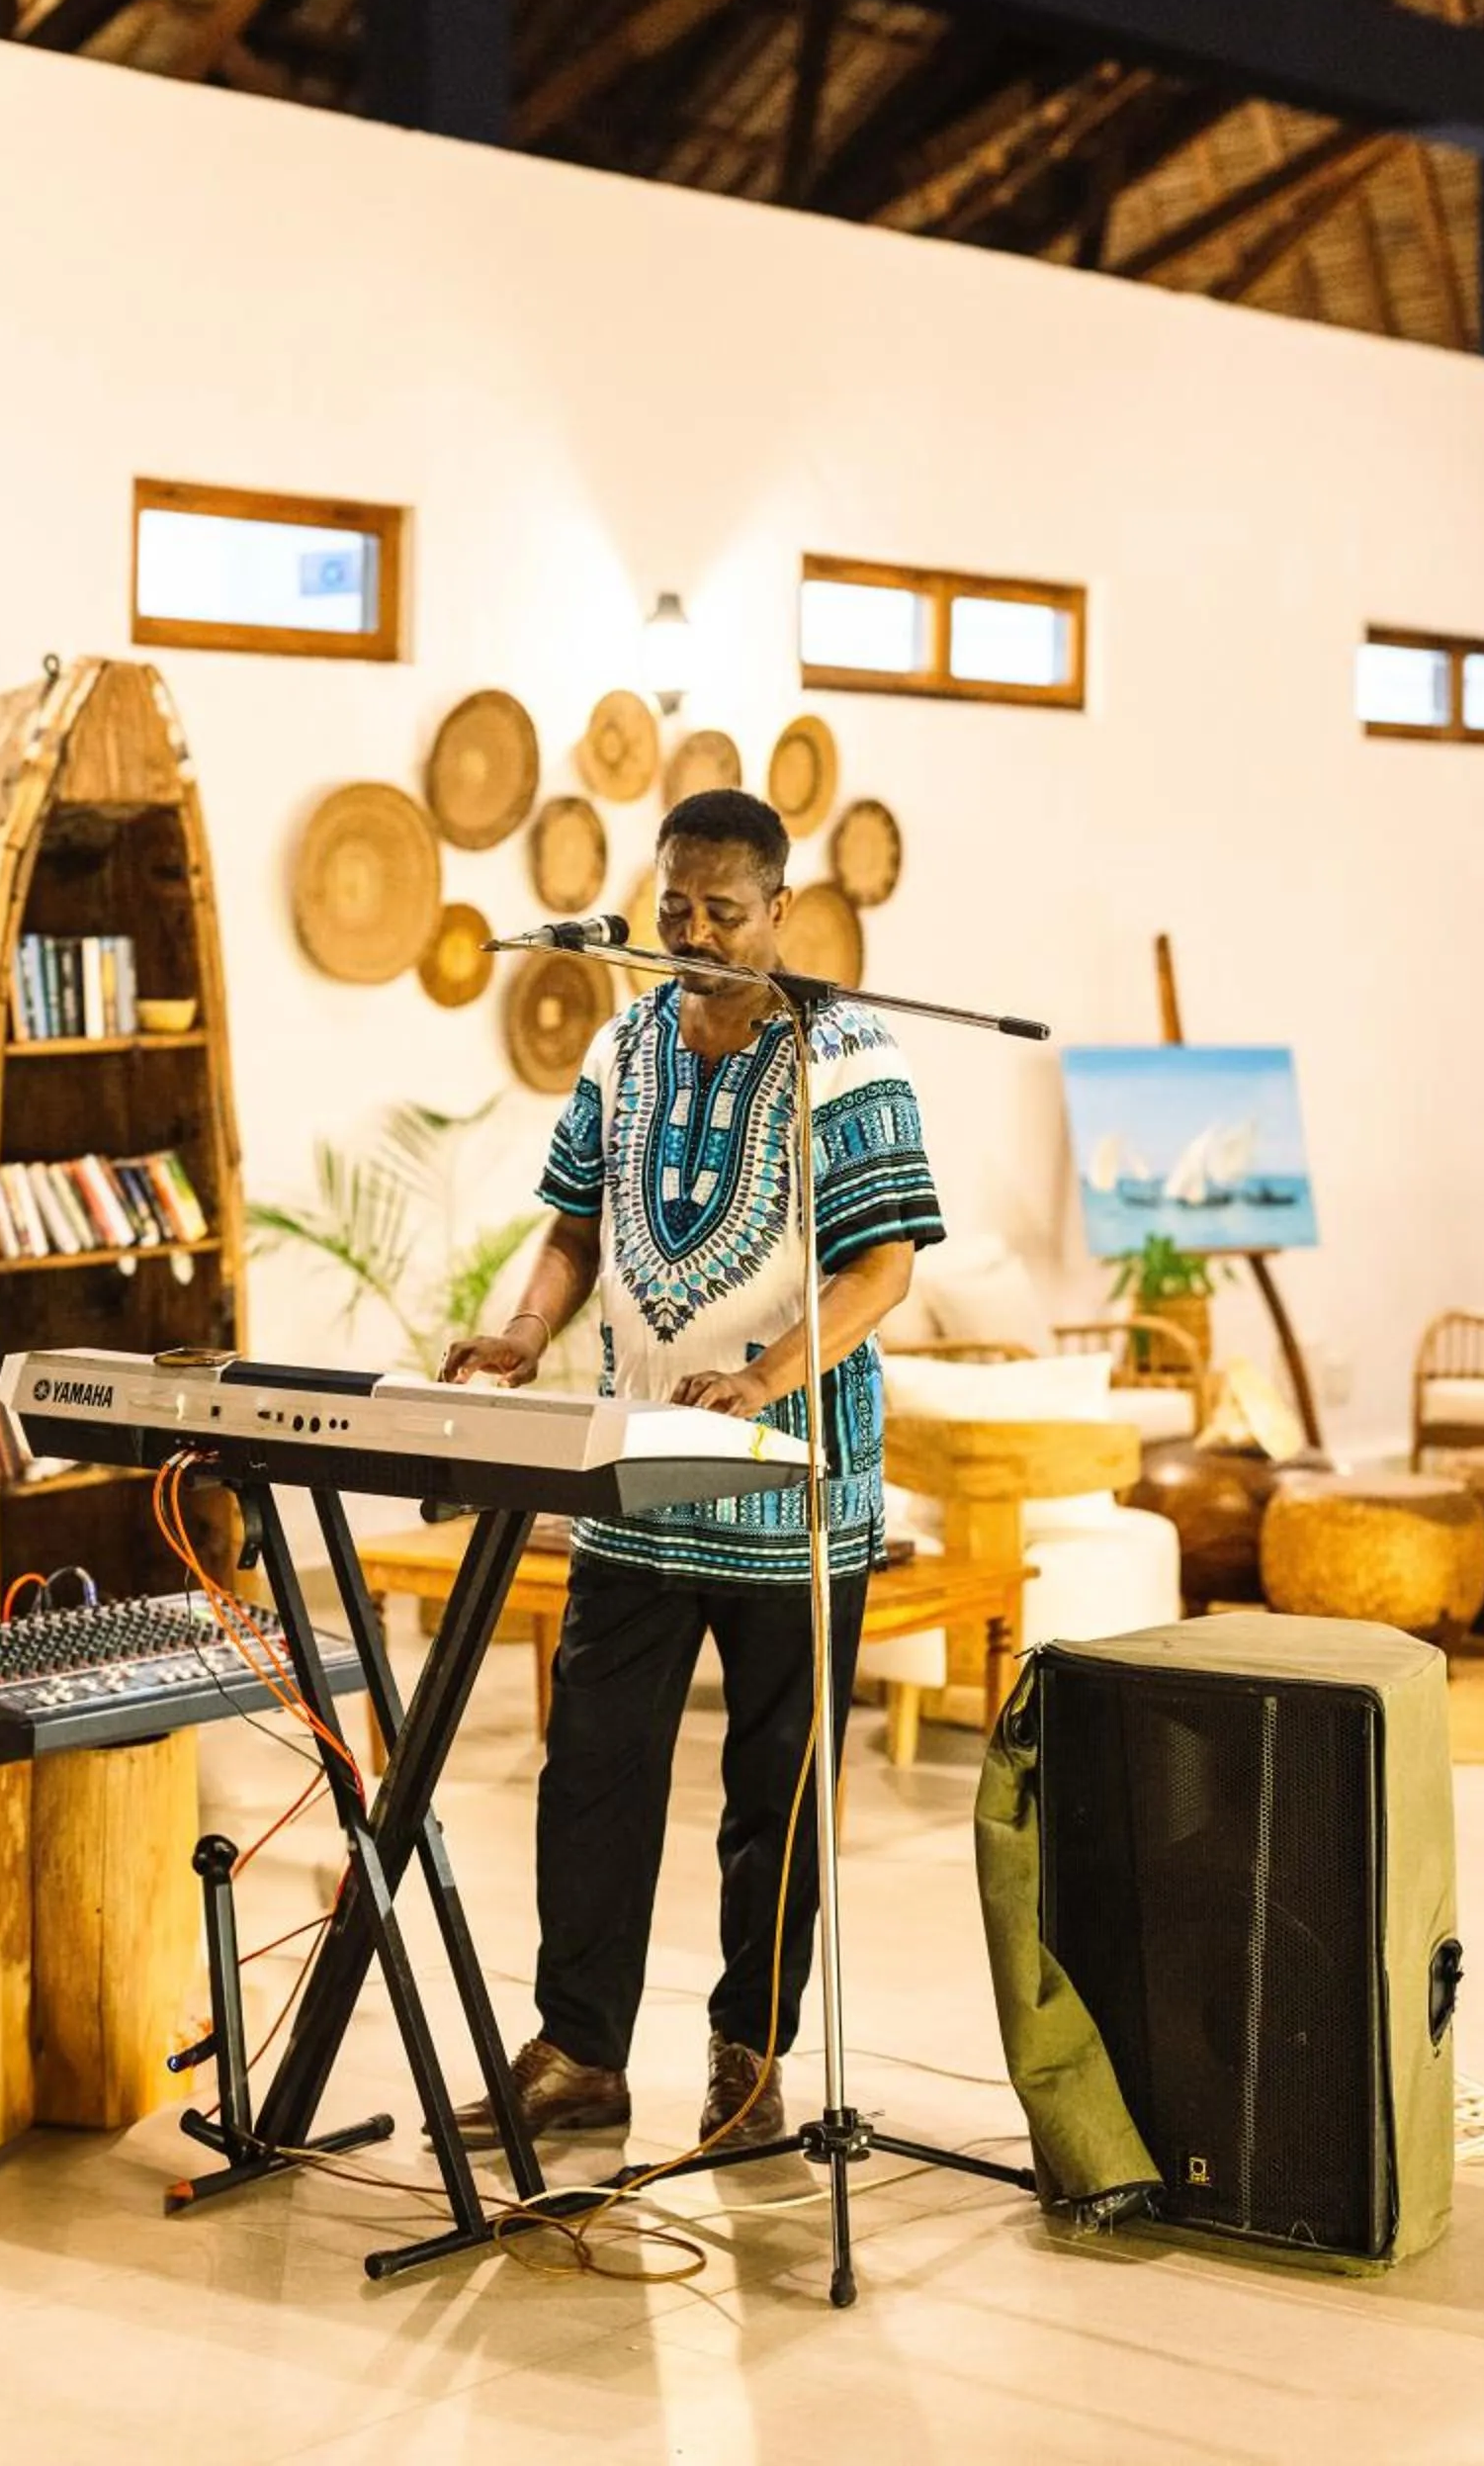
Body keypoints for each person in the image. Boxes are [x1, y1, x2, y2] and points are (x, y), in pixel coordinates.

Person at [440, 787, 943, 2151]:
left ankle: (748, 2055)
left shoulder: (845, 1050)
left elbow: (883, 1262)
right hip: (632, 1486)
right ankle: (580, 2053)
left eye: (726, 912)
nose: (697, 933)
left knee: (771, 1795)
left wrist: (772, 1375)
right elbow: (571, 1229)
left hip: (790, 1496)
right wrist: (521, 1334)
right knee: (592, 1773)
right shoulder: (624, 1042)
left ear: (782, 912)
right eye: (677, 907)